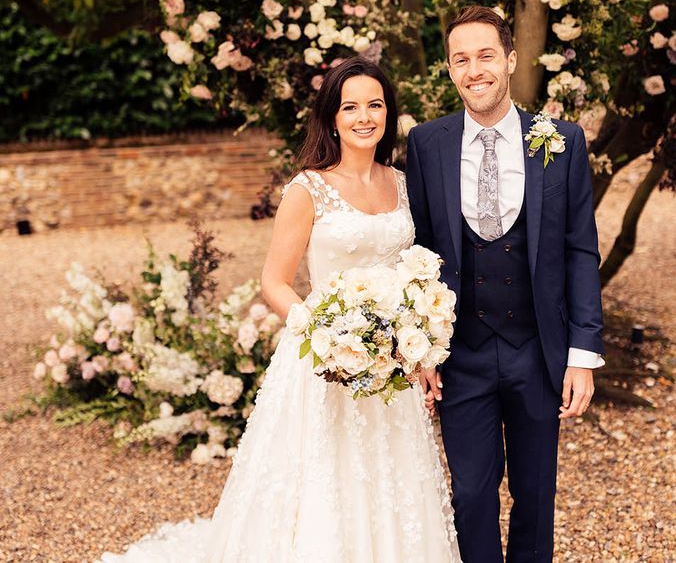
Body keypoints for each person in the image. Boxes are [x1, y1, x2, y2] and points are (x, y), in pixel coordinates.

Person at [99, 56, 461, 562]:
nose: (364, 117)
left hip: (392, 367)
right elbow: (274, 281)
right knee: (324, 484)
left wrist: (419, 346)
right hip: (326, 360)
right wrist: (327, 334)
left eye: (375, 105)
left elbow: (412, 275)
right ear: (331, 117)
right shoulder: (307, 188)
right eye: (350, 106)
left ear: (388, 113)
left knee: (391, 481)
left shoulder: (402, 184)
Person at [407, 6, 605, 563]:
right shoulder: (426, 145)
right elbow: (416, 250)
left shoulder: (561, 141)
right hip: (461, 353)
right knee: (470, 496)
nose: (475, 70)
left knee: (535, 494)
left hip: (538, 352)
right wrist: (421, 345)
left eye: (485, 55)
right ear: (449, 71)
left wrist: (583, 353)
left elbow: (580, 250)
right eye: (461, 59)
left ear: (511, 60)